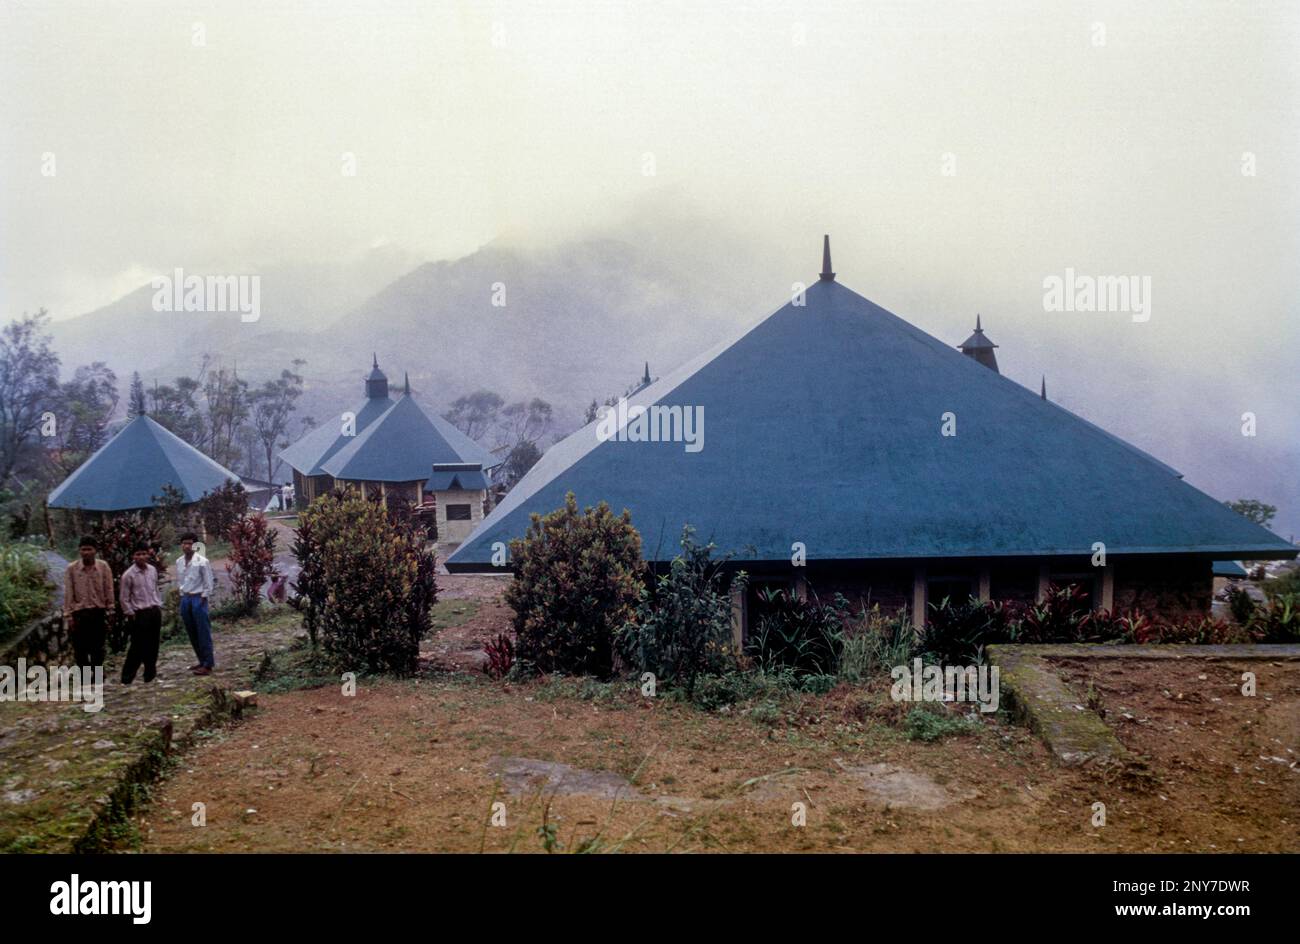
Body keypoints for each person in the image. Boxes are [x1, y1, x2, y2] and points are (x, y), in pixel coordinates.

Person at [63, 536, 114, 668]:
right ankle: (85, 678)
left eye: (89, 549)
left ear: (95, 551)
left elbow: (108, 588)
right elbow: (69, 592)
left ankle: (97, 675)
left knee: (98, 647)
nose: (86, 553)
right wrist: (68, 615)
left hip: (98, 612)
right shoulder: (71, 569)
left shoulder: (103, 567)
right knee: (80, 648)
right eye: (83, 549)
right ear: (79, 551)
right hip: (79, 613)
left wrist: (110, 609)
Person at [119, 542, 163, 684]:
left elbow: (155, 589)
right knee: (137, 647)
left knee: (153, 644)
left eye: (144, 554)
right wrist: (131, 614)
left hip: (154, 611)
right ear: (133, 556)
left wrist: (158, 605)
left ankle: (150, 675)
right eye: (138, 554)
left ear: (148, 554)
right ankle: (127, 677)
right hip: (139, 614)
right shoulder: (128, 575)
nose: (141, 557)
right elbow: (124, 598)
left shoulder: (152, 570)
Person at [175, 532, 216, 676]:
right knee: (192, 631)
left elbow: (208, 582)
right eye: (184, 543)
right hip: (186, 598)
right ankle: (201, 660)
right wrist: (182, 595)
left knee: (203, 631)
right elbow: (181, 581)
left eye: (190, 543)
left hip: (199, 598)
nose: (186, 546)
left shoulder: (202, 561)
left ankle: (208, 664)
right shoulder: (179, 561)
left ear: (195, 545)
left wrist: (203, 597)